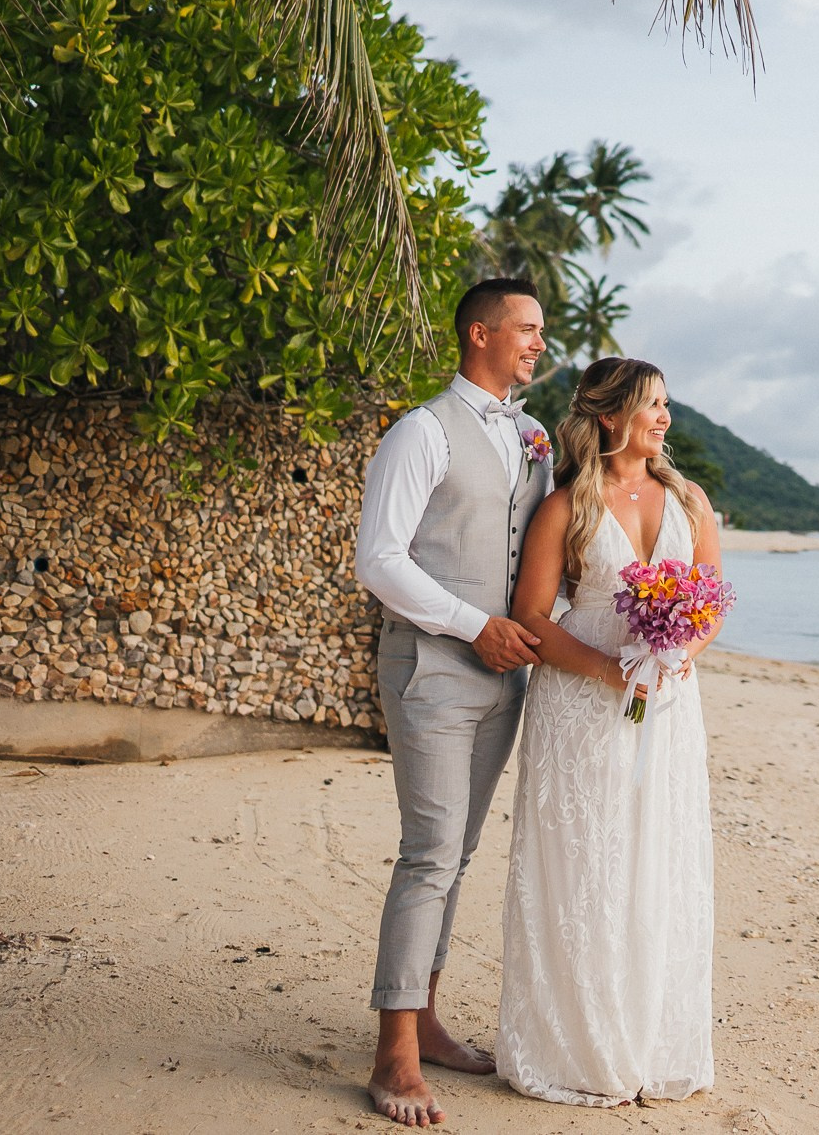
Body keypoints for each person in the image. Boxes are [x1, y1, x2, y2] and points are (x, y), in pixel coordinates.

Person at [496, 356, 723, 1106]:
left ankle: (651, 1041)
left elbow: (712, 602)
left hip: (668, 704)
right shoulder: (567, 506)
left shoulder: (689, 501)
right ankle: (583, 1047)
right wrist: (606, 669)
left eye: (665, 405)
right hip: (580, 703)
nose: (664, 418)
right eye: (651, 405)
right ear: (607, 415)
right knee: (585, 862)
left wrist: (676, 655)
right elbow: (531, 616)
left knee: (657, 857)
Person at [354, 278, 552, 1127]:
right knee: (429, 851)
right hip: (431, 669)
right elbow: (380, 559)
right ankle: (393, 1050)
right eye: (527, 330)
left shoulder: (534, 437)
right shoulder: (421, 431)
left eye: (541, 332)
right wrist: (474, 625)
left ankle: (427, 1017)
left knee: (459, 853)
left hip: (504, 679)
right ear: (480, 333)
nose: (539, 343)